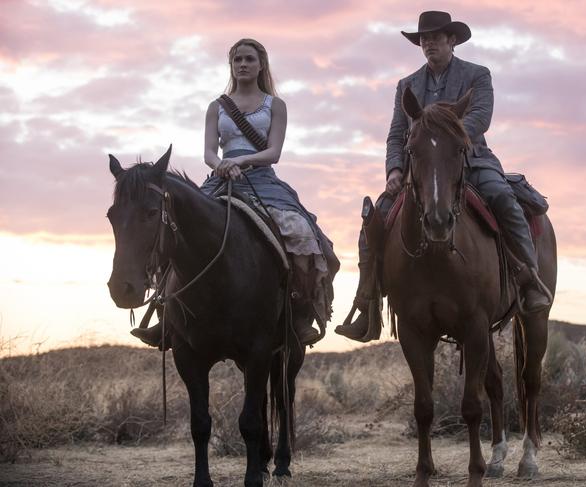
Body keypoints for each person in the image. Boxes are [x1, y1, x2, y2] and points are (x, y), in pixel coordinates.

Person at [335, 11, 551, 342]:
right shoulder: (407, 85)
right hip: (419, 168)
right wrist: (394, 169)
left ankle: (528, 278)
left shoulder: (478, 75)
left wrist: (445, 138)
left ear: (452, 40)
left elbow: (480, 117)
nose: (428, 43)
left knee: (503, 199)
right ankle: (367, 302)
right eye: (423, 38)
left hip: (471, 159)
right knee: (375, 218)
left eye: (435, 37)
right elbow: (396, 133)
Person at [132, 38, 339, 348]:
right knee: (179, 227)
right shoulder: (217, 106)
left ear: (261, 65)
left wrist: (240, 160)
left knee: (305, 235)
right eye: (237, 59)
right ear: (231, 65)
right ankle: (165, 311)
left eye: (249, 59)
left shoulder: (275, 105)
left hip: (263, 180)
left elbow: (274, 152)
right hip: (220, 179)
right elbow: (208, 153)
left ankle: (300, 312)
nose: (243, 64)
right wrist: (222, 165)